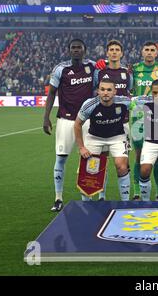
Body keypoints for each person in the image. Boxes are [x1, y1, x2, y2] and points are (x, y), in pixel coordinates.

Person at [43, 38, 96, 212]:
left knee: (89, 159)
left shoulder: (93, 67)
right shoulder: (61, 69)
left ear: (84, 50)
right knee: (61, 158)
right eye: (73, 48)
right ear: (68, 50)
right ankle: (58, 198)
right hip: (66, 119)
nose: (76, 50)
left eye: (79, 48)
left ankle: (86, 197)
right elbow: (51, 93)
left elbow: (108, 76)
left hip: (87, 120)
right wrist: (46, 117)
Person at [74, 78, 131, 201]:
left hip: (117, 137)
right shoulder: (90, 104)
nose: (106, 93)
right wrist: (82, 147)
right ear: (98, 91)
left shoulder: (125, 102)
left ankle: (126, 203)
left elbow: (141, 103)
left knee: (121, 166)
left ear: (115, 91)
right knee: (89, 169)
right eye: (103, 89)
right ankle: (87, 204)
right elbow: (77, 124)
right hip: (95, 138)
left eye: (109, 90)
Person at [131, 42, 158, 201]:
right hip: (138, 117)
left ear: (156, 53)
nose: (149, 53)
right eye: (146, 49)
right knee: (138, 156)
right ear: (142, 52)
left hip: (157, 117)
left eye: (152, 50)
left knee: (156, 156)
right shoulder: (134, 69)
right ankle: (136, 192)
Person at [93, 39, 132, 199]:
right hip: (102, 125)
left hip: (123, 124)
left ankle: (125, 199)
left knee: (122, 163)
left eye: (117, 49)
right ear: (107, 53)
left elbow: (130, 93)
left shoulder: (127, 73)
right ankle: (101, 196)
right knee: (103, 161)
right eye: (111, 49)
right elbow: (94, 93)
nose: (114, 52)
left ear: (121, 53)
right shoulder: (99, 72)